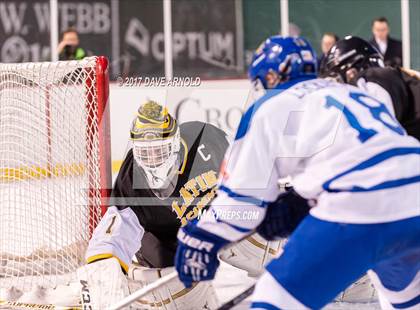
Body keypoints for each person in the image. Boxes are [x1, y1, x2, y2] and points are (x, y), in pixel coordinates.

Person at [174, 35, 420, 310]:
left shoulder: (271, 105)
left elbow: (243, 199)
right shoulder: (355, 93)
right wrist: (304, 200)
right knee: (404, 300)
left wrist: (201, 237)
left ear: (271, 75)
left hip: (358, 205)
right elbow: (364, 155)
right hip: (415, 198)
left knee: (273, 297)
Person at [84, 101, 229, 309]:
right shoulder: (130, 179)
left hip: (208, 225)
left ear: (175, 143)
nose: (152, 161)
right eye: (144, 153)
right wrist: (103, 268)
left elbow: (244, 173)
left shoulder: (206, 141)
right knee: (175, 289)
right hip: (159, 239)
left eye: (159, 152)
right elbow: (115, 229)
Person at [320, 35, 420, 140]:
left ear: (352, 72)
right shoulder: (395, 77)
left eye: (337, 79)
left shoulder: (374, 78)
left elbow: (380, 137)